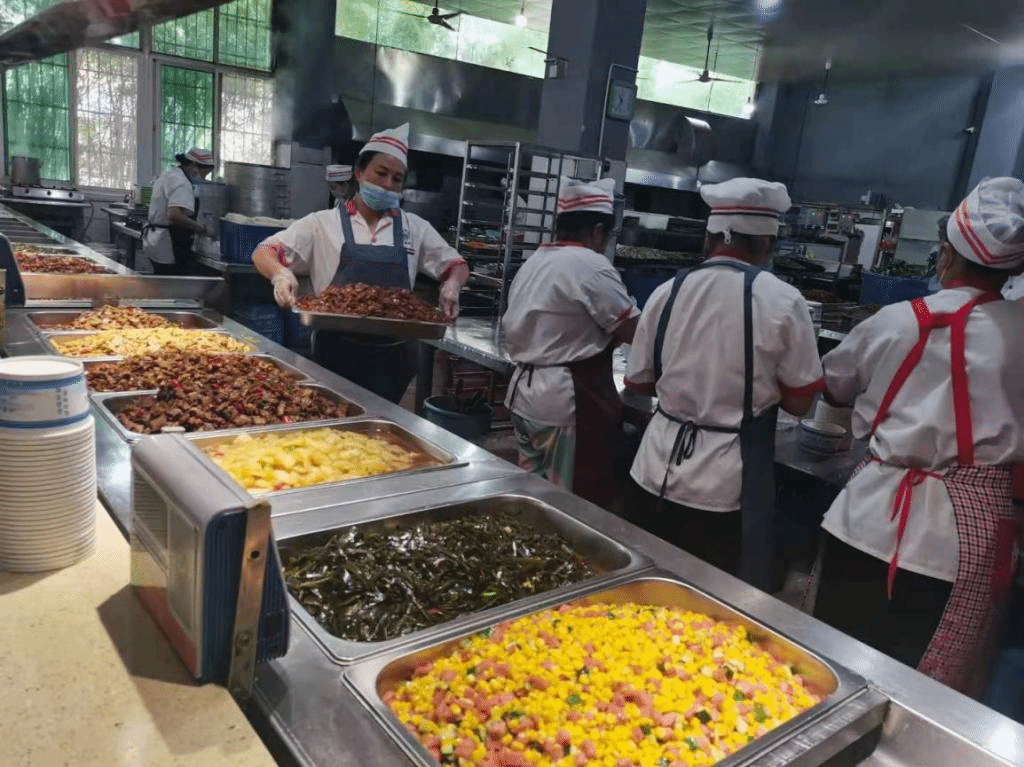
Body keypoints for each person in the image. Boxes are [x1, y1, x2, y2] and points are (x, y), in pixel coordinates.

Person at [811, 177, 1024, 698]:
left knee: (831, 665)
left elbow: (834, 387)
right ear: (1014, 270)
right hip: (959, 541)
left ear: (946, 254)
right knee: (921, 693)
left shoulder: (896, 321)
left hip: (862, 521)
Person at [624, 178, 823, 591]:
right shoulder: (784, 300)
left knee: (644, 587)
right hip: (726, 486)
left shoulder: (666, 292)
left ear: (711, 238)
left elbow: (639, 385)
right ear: (766, 242)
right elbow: (802, 403)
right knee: (709, 601)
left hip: (653, 471)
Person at [252, 124, 468, 403]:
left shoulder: (414, 227)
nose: (388, 184)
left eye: (397, 179)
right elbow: (265, 250)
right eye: (381, 173)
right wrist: (280, 274)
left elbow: (456, 264)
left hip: (396, 358)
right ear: (358, 171)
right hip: (335, 353)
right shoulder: (322, 223)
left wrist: (452, 284)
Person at [502, 178, 639, 507]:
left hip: (523, 397)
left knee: (532, 496)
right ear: (597, 230)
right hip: (563, 404)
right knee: (566, 503)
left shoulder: (535, 261)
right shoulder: (592, 266)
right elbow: (635, 332)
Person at [143, 147, 217, 276]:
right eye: (203, 174)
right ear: (193, 165)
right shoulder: (182, 183)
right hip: (168, 243)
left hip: (155, 240)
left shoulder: (170, 175)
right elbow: (174, 215)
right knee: (172, 284)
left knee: (162, 281)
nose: (203, 178)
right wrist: (200, 228)